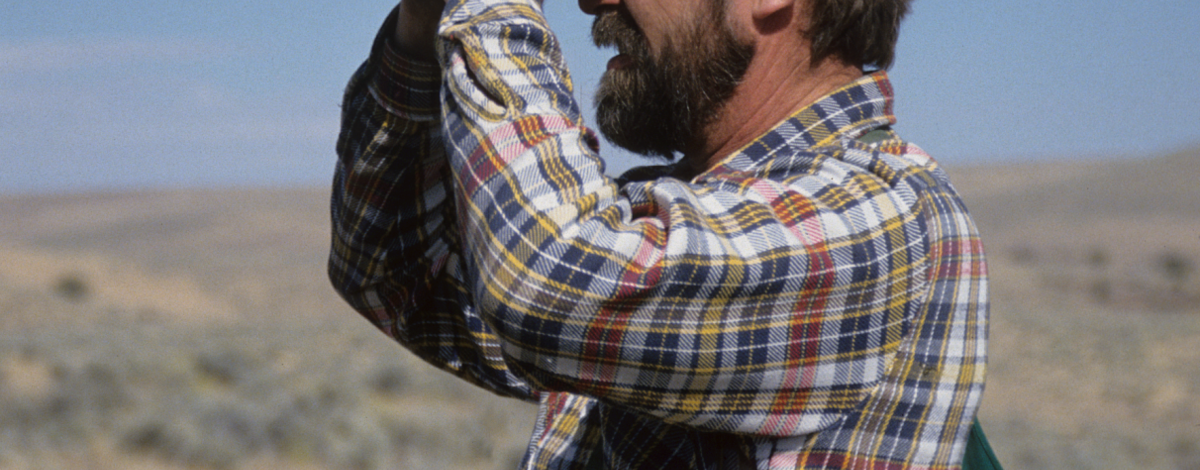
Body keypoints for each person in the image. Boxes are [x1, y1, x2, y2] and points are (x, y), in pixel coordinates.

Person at [328, 0, 989, 466]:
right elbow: (395, 273)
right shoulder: (685, 216)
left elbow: (549, 283)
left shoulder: (882, 220)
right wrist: (424, 26)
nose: (593, 2)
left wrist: (490, 9)